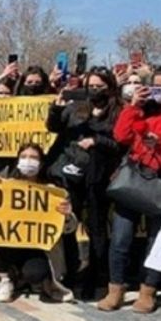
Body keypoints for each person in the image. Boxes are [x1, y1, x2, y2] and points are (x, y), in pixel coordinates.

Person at [98, 61, 161, 314]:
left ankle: (148, 291)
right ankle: (116, 289)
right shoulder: (144, 110)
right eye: (156, 86)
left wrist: (160, 141)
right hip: (134, 179)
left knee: (156, 241)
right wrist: (133, 107)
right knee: (120, 238)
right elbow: (121, 136)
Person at [46, 66, 122, 298]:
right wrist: (56, 108)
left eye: (100, 86)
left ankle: (97, 277)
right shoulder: (76, 108)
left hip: (99, 177)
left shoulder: (118, 111)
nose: (95, 90)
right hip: (72, 173)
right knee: (68, 223)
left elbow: (121, 143)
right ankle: (70, 273)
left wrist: (96, 140)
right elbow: (54, 127)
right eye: (91, 86)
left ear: (110, 87)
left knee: (97, 229)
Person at [0, 143, 77, 303]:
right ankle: (5, 279)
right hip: (8, 247)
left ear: (41, 163)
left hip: (37, 249)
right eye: (23, 157)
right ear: (17, 161)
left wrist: (67, 214)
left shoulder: (53, 191)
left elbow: (69, 229)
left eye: (33, 157)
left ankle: (45, 283)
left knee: (35, 273)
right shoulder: (6, 186)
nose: (28, 161)